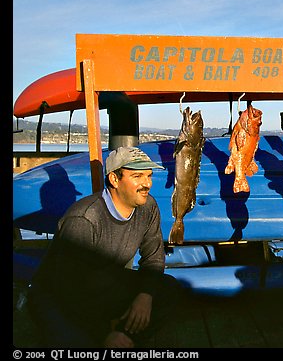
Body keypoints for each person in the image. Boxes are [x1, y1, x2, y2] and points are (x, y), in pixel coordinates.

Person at [27, 146, 188, 348]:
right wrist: (103, 334)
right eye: (137, 176)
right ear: (114, 179)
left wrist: (145, 295)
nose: (147, 184)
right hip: (58, 297)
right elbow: (68, 288)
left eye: (149, 176)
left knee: (168, 289)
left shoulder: (148, 207)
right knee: (77, 343)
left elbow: (154, 258)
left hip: (103, 283)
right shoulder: (85, 219)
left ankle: (125, 338)